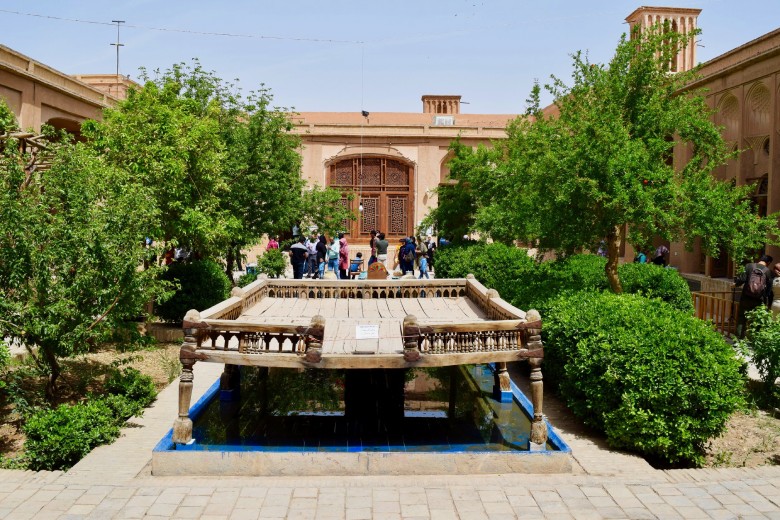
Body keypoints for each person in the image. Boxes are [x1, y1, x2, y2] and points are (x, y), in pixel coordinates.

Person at [735, 254, 773, 337]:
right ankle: (754, 340)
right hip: (759, 300)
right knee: (757, 319)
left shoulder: (749, 266)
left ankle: (738, 340)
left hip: (746, 297)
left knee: (742, 318)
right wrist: (767, 302)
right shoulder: (768, 271)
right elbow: (769, 289)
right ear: (769, 262)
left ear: (760, 259)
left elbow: (741, 279)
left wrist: (736, 283)